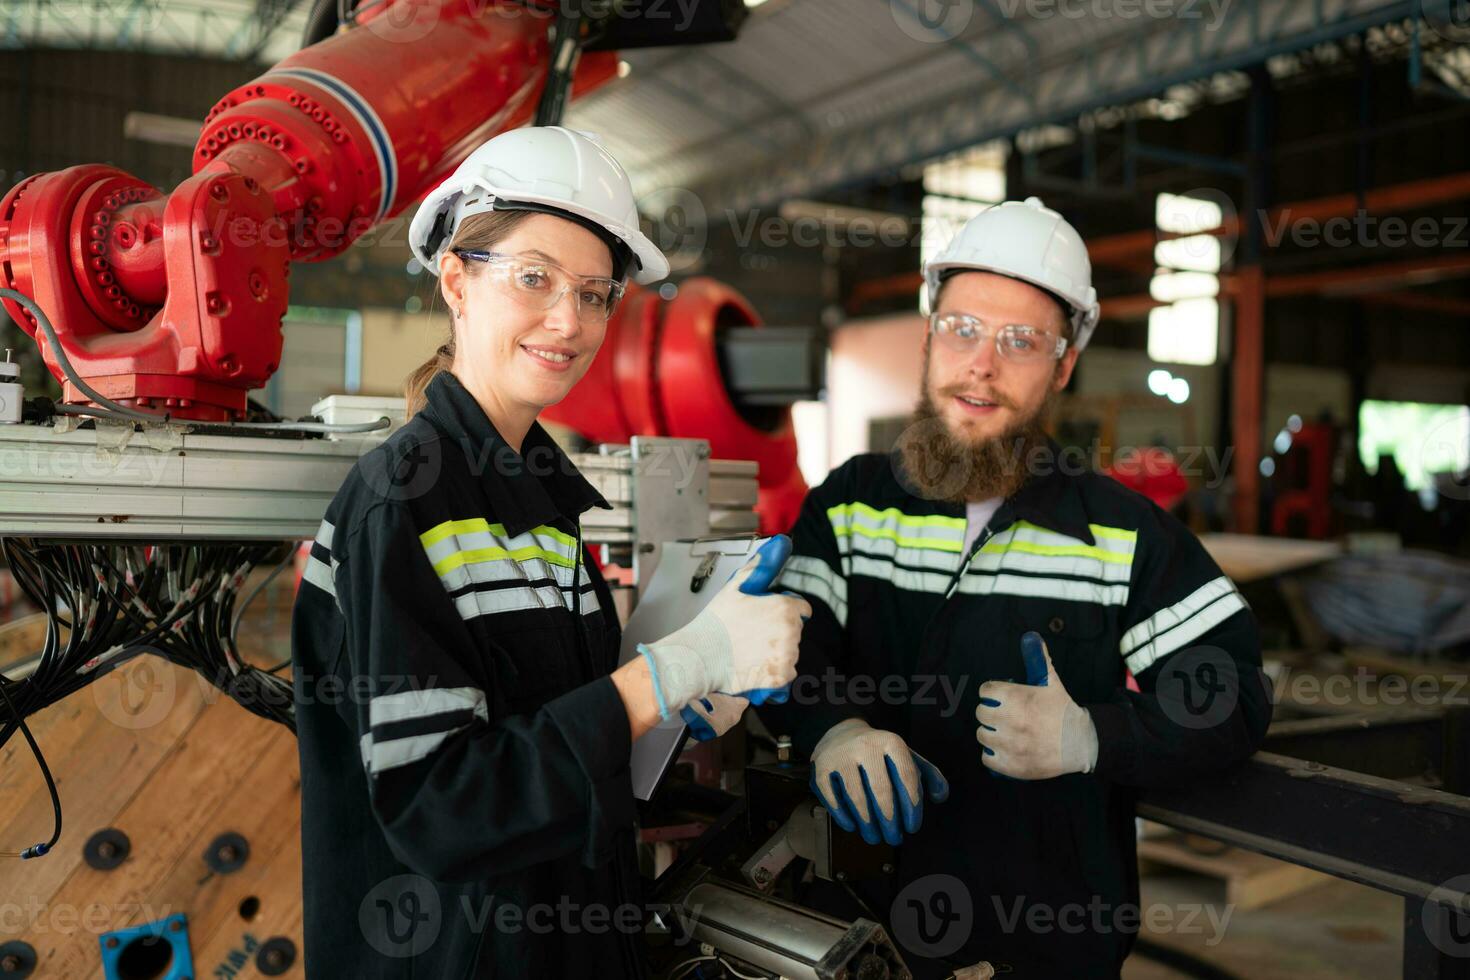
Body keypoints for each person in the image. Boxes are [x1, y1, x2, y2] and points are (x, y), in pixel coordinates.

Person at [290, 125, 810, 979]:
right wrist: (670, 672)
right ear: (457, 280)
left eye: (597, 293)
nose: (569, 321)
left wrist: (675, 707)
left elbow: (546, 741)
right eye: (535, 278)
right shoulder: (406, 502)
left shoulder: (543, 504)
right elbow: (443, 810)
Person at [757, 197, 1273, 978]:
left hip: (1040, 950)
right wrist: (834, 727)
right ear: (930, 337)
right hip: (857, 936)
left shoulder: (1121, 536)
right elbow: (787, 642)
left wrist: (1095, 735)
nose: (982, 364)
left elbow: (1230, 691)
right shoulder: (852, 504)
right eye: (963, 329)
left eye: (1020, 342)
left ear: (1064, 365)